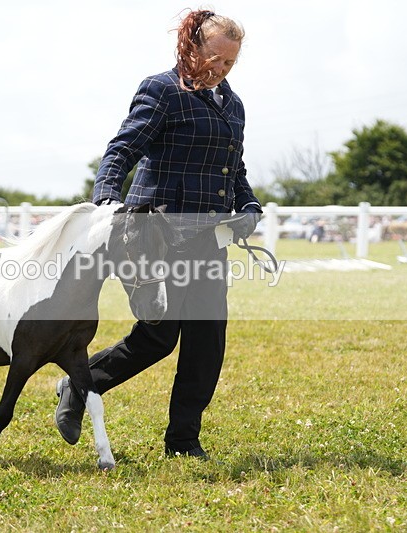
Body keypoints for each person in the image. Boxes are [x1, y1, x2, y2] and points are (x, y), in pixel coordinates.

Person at [54, 9, 262, 459]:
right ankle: (78, 383)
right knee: (158, 338)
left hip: (209, 239)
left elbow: (233, 168)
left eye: (230, 63)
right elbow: (123, 148)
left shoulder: (235, 105)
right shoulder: (162, 90)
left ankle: (183, 441)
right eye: (214, 58)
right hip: (159, 235)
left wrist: (247, 203)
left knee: (208, 344)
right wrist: (107, 196)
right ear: (191, 47)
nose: (221, 69)